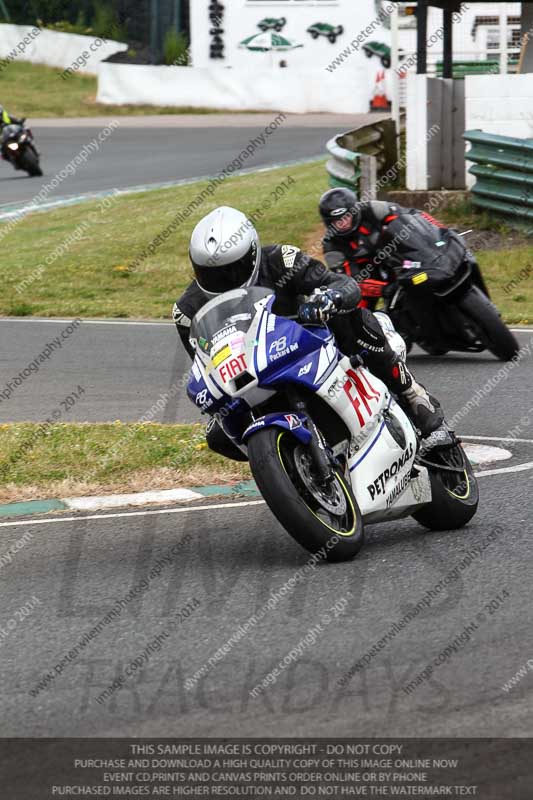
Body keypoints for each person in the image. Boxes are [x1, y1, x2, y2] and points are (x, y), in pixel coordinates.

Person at [173, 205, 452, 461]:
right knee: (218, 435)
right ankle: (287, 466)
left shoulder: (280, 260)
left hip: (310, 344)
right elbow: (205, 363)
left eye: (232, 271)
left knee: (352, 318)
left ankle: (414, 396)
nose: (224, 281)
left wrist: (330, 299)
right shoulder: (187, 311)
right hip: (251, 372)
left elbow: (342, 283)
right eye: (212, 274)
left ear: (253, 254)